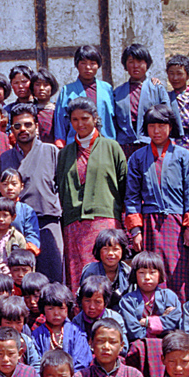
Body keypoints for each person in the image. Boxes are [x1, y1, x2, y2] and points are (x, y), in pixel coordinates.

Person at [125, 104, 189, 302]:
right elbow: (131, 197)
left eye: (161, 126)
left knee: (178, 272)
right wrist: (136, 230)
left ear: (171, 127)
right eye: (151, 126)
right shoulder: (137, 158)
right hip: (149, 225)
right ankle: (153, 317)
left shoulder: (184, 156)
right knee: (152, 271)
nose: (156, 131)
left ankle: (180, 319)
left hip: (176, 224)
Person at [56, 97, 127, 291]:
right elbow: (61, 188)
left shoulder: (111, 147)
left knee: (106, 272)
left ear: (95, 118)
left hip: (105, 220)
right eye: (75, 120)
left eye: (85, 118)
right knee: (79, 275)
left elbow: (123, 184)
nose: (80, 124)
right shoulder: (65, 154)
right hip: (74, 224)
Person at [0, 103, 65, 283]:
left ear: (36, 125)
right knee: (19, 278)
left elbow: (63, 187)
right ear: (11, 129)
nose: (23, 129)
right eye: (17, 126)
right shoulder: (6, 158)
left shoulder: (51, 151)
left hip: (47, 220)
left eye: (28, 124)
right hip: (17, 225)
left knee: (53, 274)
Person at [112, 43, 169, 154]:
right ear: (125, 65)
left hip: (151, 143)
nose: (135, 66)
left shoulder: (157, 88)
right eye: (131, 62)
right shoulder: (118, 92)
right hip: (125, 146)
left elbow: (167, 117)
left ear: (147, 64)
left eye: (140, 62)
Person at [53, 45, 115, 147]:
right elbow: (60, 120)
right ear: (77, 65)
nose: (88, 67)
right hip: (76, 144)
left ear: (98, 65)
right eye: (83, 63)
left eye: (92, 63)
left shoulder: (107, 88)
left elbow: (114, 118)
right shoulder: (67, 90)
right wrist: (60, 142)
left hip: (105, 142)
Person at [117, 251, 181, 345]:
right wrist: (161, 320)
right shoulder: (127, 300)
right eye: (142, 273)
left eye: (152, 272)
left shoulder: (169, 296)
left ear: (160, 274)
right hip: (140, 346)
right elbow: (134, 331)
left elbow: (174, 322)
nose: (147, 277)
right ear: (135, 275)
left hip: (167, 345)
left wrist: (147, 322)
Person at [0, 168, 42, 255]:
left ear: (21, 186)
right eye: (5, 184)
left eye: (14, 184)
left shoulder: (27, 211)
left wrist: (25, 253)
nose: (9, 188)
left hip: (19, 257)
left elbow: (33, 236)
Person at [31, 283, 92, 371]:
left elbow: (82, 362)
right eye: (50, 309)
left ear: (68, 308)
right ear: (43, 309)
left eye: (61, 308)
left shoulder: (76, 332)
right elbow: (35, 363)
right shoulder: (37, 334)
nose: (56, 313)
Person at [79, 228, 131, 309]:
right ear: (99, 251)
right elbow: (83, 300)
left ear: (123, 250)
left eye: (115, 249)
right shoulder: (91, 271)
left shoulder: (127, 272)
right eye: (105, 249)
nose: (110, 253)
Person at [0, 197, 29, 276]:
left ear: (13, 217)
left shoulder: (17, 237)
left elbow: (24, 259)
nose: (0, 219)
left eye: (5, 215)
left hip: (9, 277)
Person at [71, 276, 125, 341]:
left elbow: (124, 346)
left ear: (105, 303)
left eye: (97, 302)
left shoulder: (115, 318)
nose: (92, 307)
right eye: (87, 301)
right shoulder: (77, 321)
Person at [30, 68, 59, 144]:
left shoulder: (57, 110)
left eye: (45, 85)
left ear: (52, 87)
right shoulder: (30, 110)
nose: (41, 88)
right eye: (37, 85)